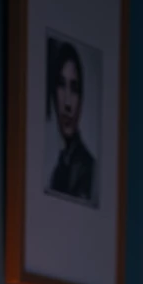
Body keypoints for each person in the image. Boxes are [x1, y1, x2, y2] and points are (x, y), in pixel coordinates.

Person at [47, 39, 95, 202]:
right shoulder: (57, 168)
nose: (67, 103)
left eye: (74, 89)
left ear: (81, 98)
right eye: (61, 85)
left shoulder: (87, 168)